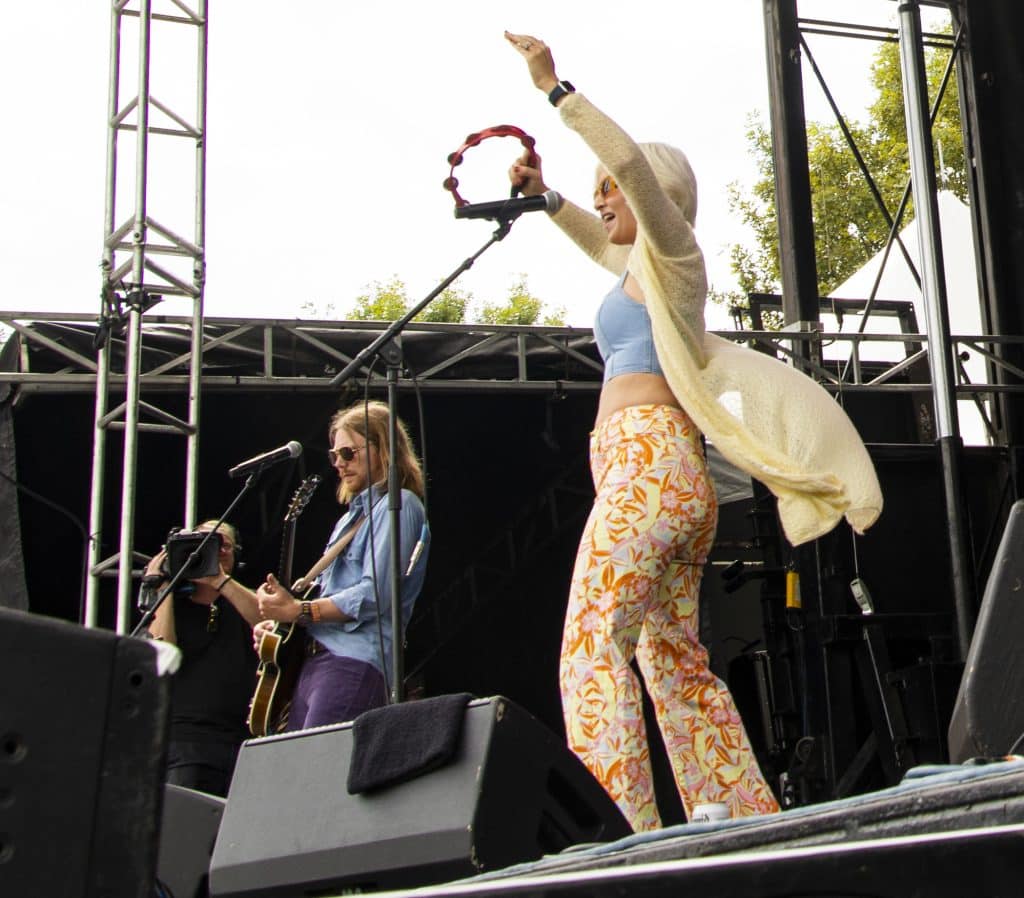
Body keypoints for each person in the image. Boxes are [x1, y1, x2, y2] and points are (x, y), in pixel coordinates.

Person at [503, 31, 882, 830]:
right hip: (664, 481)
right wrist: (546, 199)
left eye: (608, 188)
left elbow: (635, 174)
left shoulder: (677, 256)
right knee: (672, 660)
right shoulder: (645, 274)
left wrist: (554, 89)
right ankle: (744, 817)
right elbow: (596, 235)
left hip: (649, 468)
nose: (602, 197)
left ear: (654, 200)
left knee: (592, 646)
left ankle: (614, 828)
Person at [254, 400, 430, 730]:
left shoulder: (400, 505)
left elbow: (375, 593)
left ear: (383, 448)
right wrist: (283, 625)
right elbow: (325, 596)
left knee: (317, 774)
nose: (339, 463)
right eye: (334, 456)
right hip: (315, 662)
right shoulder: (348, 521)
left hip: (353, 662)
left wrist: (300, 611)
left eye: (348, 453)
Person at [144, 520, 261, 797]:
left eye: (223, 544)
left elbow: (270, 622)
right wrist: (164, 587)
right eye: (204, 543)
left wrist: (220, 580)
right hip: (186, 741)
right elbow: (163, 654)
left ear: (236, 555)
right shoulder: (172, 606)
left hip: (242, 743)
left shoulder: (246, 599)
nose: (214, 550)